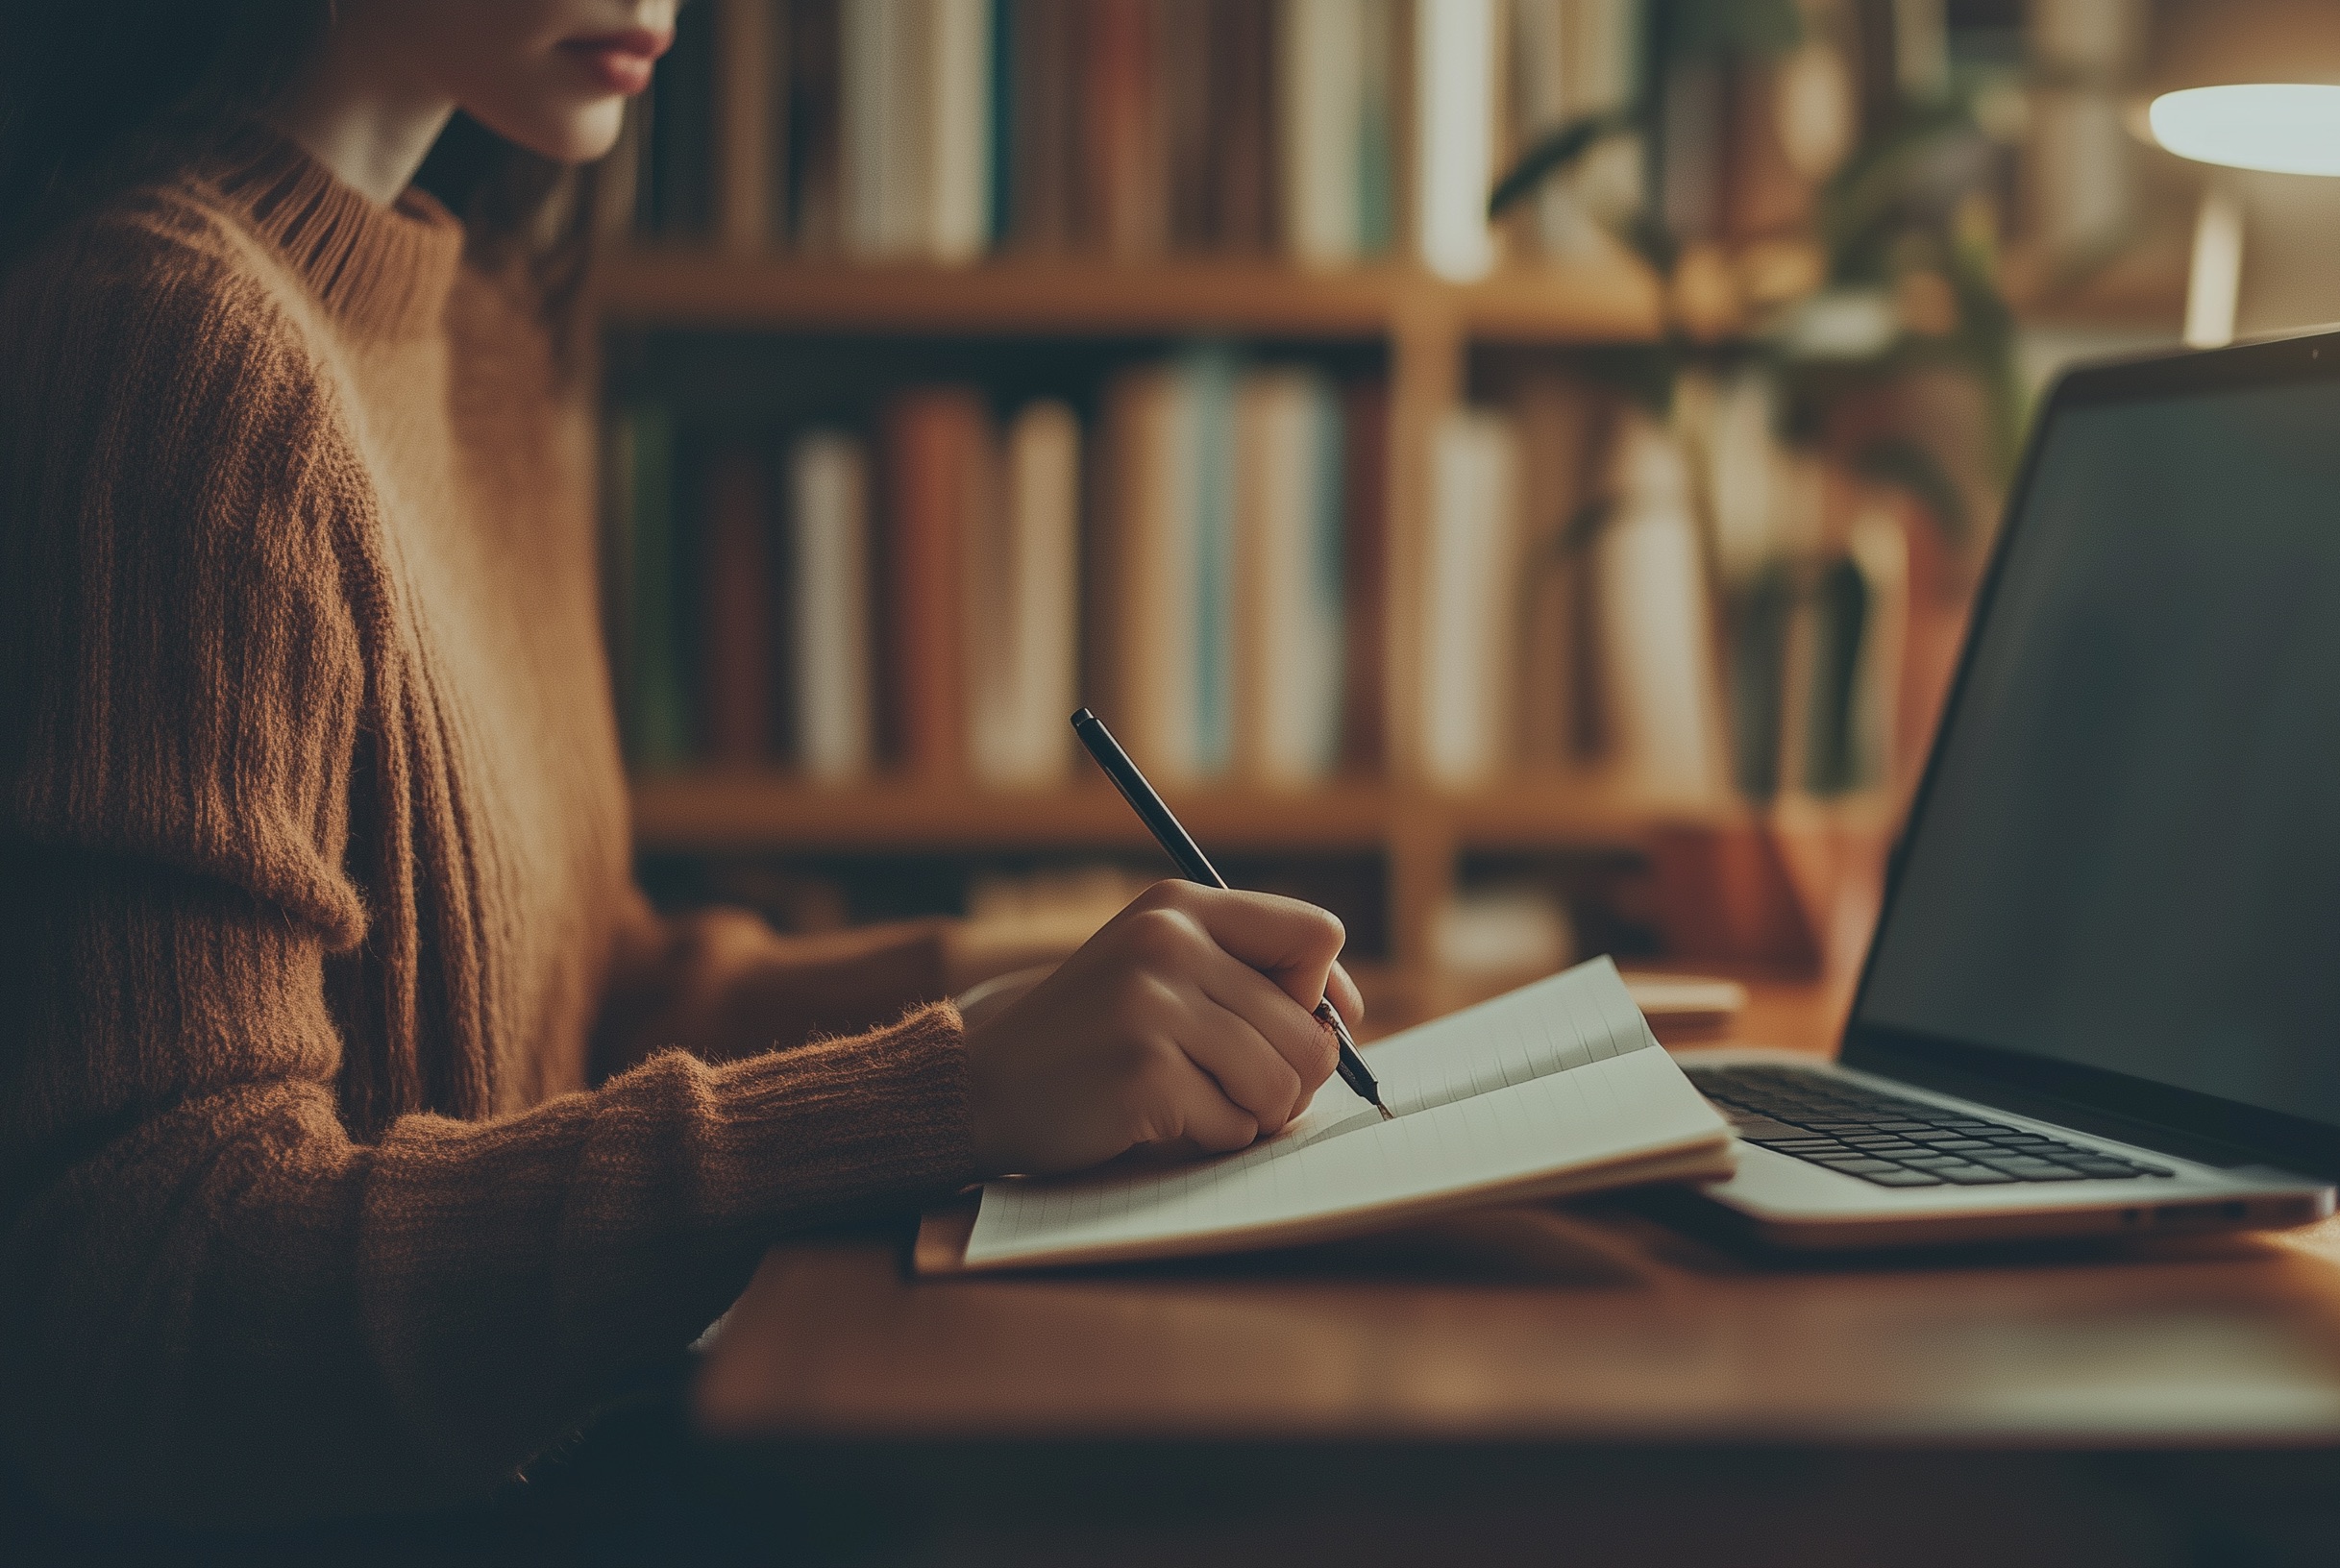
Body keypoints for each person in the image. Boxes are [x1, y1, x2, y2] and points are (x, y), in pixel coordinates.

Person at [0, 0, 1364, 1531]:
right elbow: (143, 1304)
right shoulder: (159, 350)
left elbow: (579, 1004)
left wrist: (1013, 984)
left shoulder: (478, 340)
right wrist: (950, 1091)